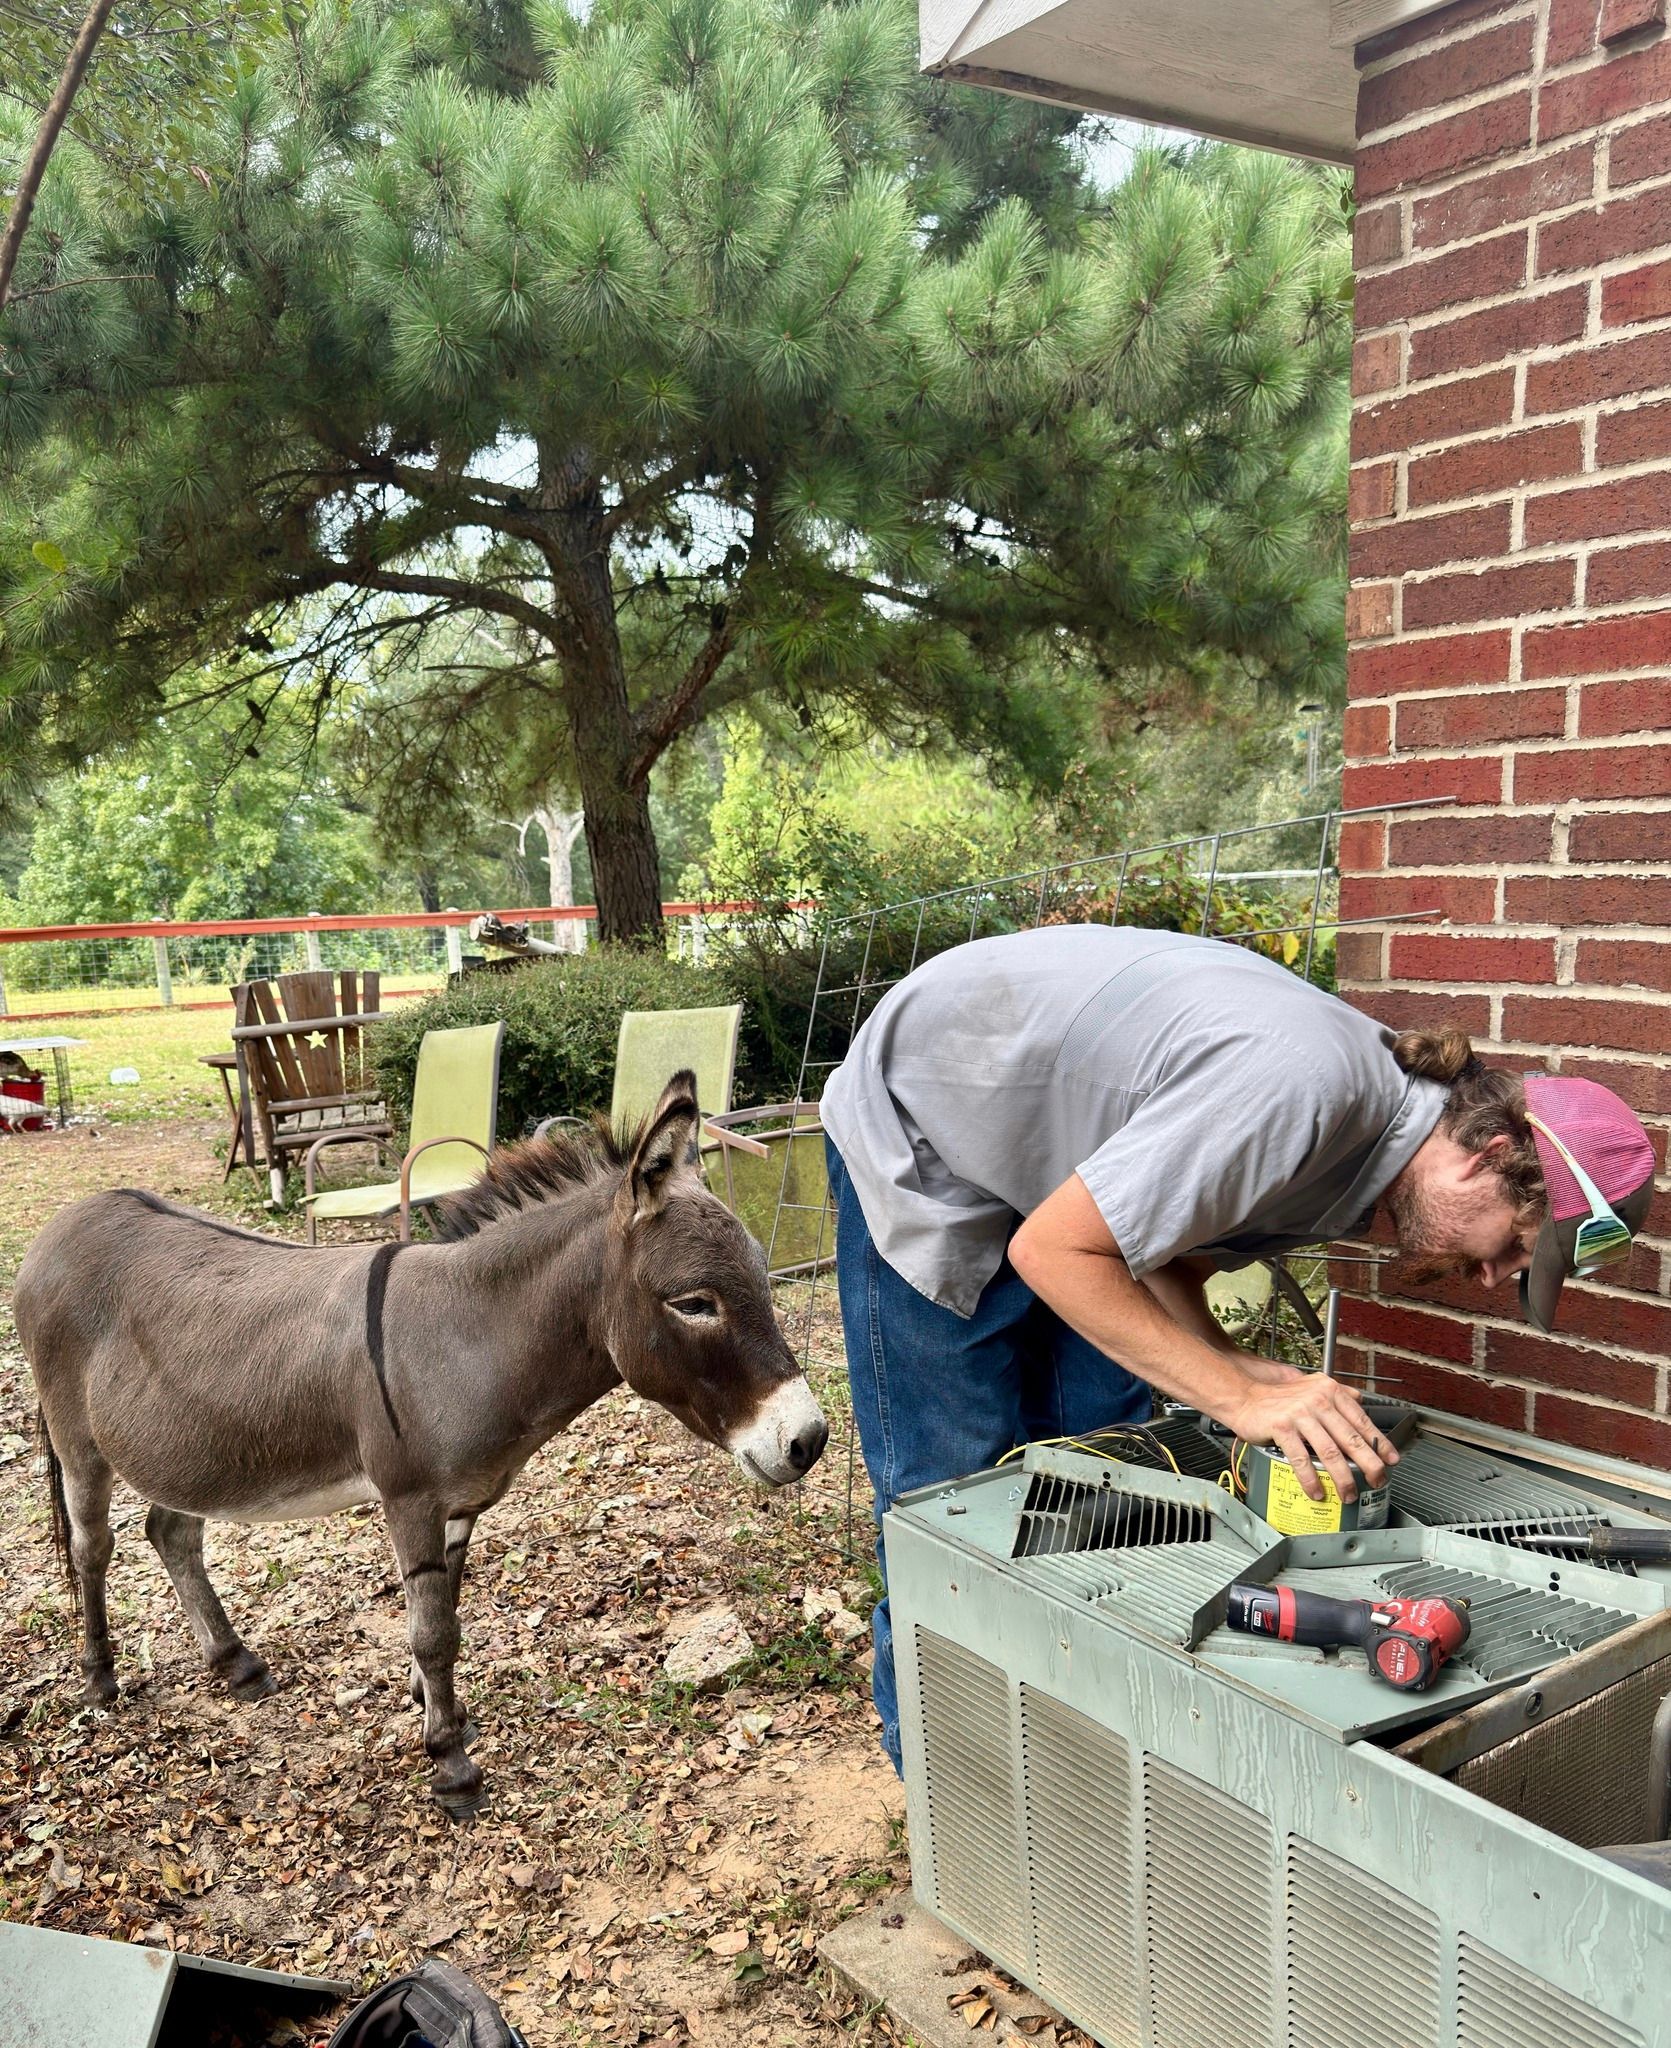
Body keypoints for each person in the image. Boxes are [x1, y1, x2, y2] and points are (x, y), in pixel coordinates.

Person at [820, 923, 1656, 1774]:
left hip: (1055, 1174)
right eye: (1515, 1245)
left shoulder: (1367, 1164)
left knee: (1098, 1454)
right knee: (953, 1485)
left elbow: (1165, 1240)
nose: (1493, 1279)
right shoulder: (1299, 1095)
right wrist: (1237, 1399)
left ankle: (1064, 1742)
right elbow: (1053, 1251)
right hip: (931, 1124)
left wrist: (1224, 1360)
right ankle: (940, 1781)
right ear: (1490, 1154)